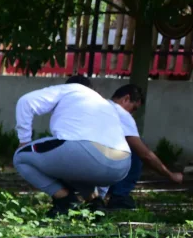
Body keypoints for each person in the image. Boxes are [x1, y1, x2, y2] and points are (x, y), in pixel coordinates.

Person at [13, 76, 131, 216]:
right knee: (74, 166)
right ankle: (95, 203)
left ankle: (65, 200)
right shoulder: (104, 103)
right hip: (121, 166)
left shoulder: (71, 89)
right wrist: (102, 193)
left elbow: (25, 102)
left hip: (84, 153)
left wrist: (24, 141)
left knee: (20, 157)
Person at [99, 84, 183, 210]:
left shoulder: (98, 106)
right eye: (133, 109)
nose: (132, 114)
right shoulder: (120, 113)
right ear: (126, 99)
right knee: (135, 147)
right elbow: (145, 154)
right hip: (99, 162)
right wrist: (170, 174)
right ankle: (120, 197)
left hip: (72, 158)